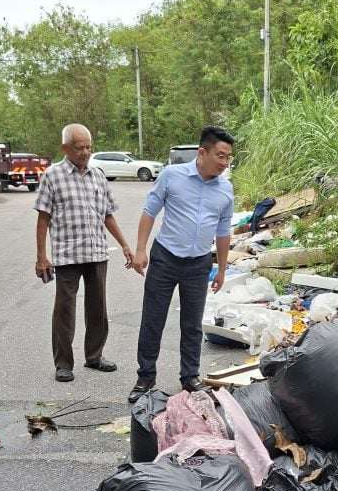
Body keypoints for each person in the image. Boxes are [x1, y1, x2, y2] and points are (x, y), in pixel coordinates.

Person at [128, 125, 235, 403]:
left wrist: (221, 268)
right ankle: (145, 377)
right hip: (165, 258)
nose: (225, 163)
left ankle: (190, 377)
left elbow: (224, 230)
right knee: (153, 319)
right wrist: (140, 250)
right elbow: (149, 211)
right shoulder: (171, 176)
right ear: (202, 152)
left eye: (228, 158)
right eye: (220, 156)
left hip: (199, 263)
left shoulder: (226, 188)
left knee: (192, 324)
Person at [34, 124, 133, 383]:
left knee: (98, 307)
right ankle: (63, 363)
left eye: (89, 147)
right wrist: (41, 256)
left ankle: (95, 356)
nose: (85, 152)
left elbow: (107, 214)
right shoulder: (52, 175)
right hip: (67, 254)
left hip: (97, 252)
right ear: (65, 148)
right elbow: (43, 219)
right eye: (79, 148)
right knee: (64, 310)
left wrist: (123, 244)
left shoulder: (98, 175)